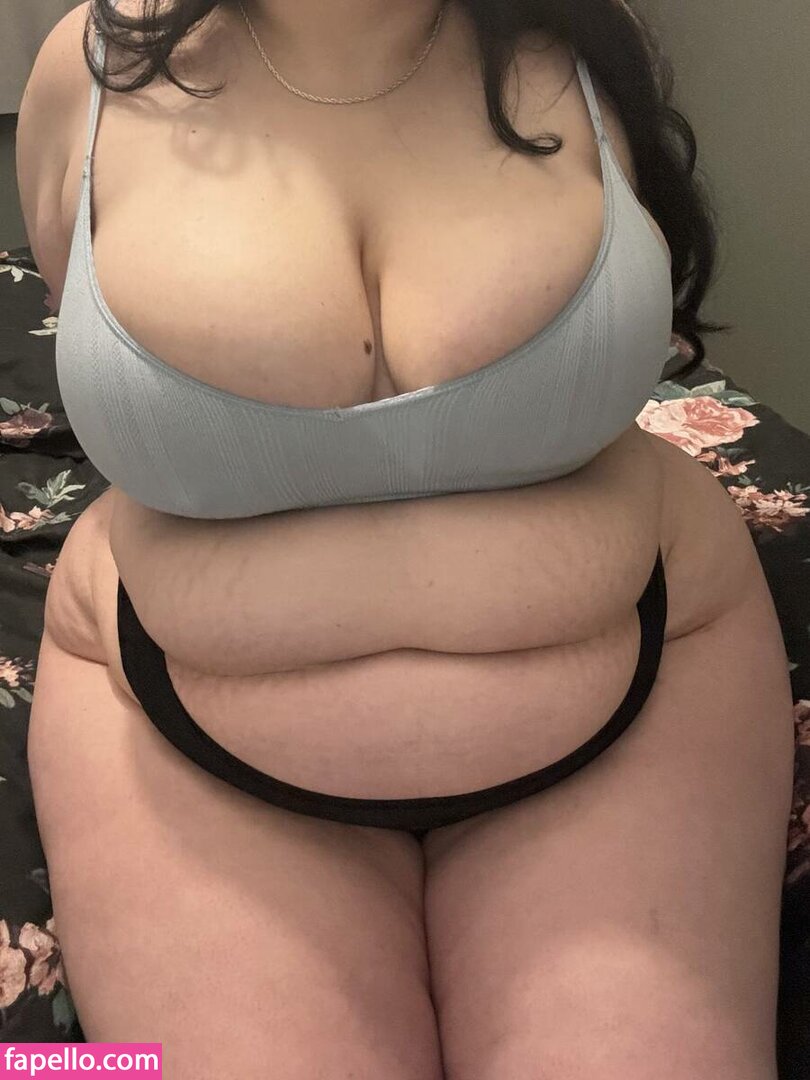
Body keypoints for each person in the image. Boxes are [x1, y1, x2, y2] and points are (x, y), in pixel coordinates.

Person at [16, 0, 794, 1076]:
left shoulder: (578, 40)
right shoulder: (91, 68)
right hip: (171, 711)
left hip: (652, 664)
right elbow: (84, 313)